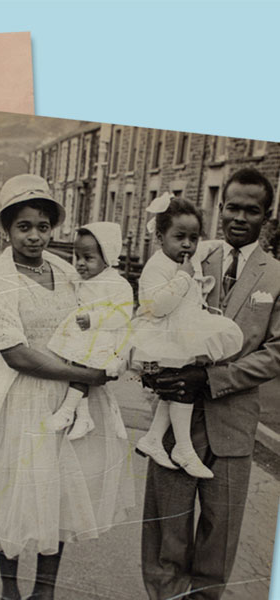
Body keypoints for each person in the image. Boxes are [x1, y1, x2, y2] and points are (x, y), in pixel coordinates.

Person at [0, 174, 135, 600]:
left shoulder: (66, 270)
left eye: (43, 227)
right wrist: (87, 376)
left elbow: (100, 313)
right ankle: (10, 590)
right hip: (20, 396)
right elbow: (16, 353)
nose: (34, 236)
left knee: (62, 490)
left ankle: (44, 591)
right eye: (23, 227)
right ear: (6, 229)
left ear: (53, 228)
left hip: (65, 397)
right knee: (11, 493)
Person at [141, 168, 280, 600]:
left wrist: (212, 377)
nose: (239, 217)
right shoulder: (188, 252)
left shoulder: (275, 274)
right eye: (232, 207)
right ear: (221, 209)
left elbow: (276, 352)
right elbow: (151, 309)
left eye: (251, 210)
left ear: (267, 216)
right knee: (167, 530)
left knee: (218, 539)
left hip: (233, 424)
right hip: (175, 412)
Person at [130, 194, 244, 479]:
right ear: (160, 237)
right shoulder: (156, 266)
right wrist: (182, 277)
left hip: (183, 333)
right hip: (164, 334)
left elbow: (207, 248)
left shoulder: (188, 255)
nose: (187, 245)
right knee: (182, 388)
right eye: (179, 237)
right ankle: (183, 448)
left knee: (176, 390)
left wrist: (222, 244)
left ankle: (153, 438)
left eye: (193, 238)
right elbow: (157, 306)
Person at [45, 221, 133, 441]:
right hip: (86, 334)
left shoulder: (117, 284)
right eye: (78, 257)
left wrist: (94, 319)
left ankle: (67, 411)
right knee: (76, 366)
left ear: (107, 258)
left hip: (105, 337)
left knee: (82, 366)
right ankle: (83, 416)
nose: (81, 264)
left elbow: (122, 314)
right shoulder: (86, 279)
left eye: (88, 258)